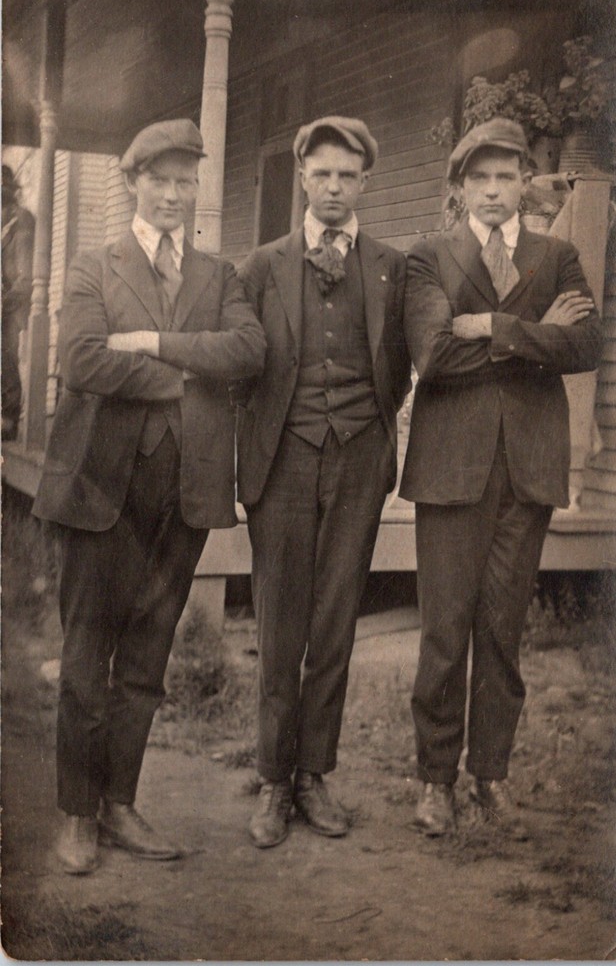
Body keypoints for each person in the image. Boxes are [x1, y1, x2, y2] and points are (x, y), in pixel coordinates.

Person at [33, 119, 266, 874]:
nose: (171, 193)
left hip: (186, 494)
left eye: (183, 180)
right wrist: (186, 374)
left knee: (145, 659)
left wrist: (156, 345)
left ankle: (121, 805)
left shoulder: (218, 276)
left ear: (196, 188)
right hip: (100, 489)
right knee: (84, 655)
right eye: (158, 179)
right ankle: (76, 814)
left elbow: (248, 352)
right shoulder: (93, 267)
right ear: (134, 181)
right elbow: (82, 361)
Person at [400, 118, 602, 839]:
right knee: (445, 632)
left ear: (524, 184)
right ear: (460, 188)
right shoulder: (429, 258)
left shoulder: (558, 254)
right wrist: (533, 332)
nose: (493, 191)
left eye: (506, 177)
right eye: (479, 178)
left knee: (503, 631)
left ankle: (491, 776)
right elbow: (433, 356)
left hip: (527, 471)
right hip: (451, 470)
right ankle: (434, 780)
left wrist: (492, 328)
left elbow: (586, 344)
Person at [235, 116, 410, 848]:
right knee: (280, 624)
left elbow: (400, 362)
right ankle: (275, 780)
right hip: (283, 460)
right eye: (322, 174)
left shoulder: (394, 267)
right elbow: (242, 363)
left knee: (336, 621)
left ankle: (315, 773)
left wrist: (369, 427)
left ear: (364, 181)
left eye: (348, 175)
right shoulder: (262, 266)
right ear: (303, 178)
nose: (334, 188)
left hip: (360, 458)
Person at [2, 164, 35, 440]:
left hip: (14, 304)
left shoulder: (22, 220)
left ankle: (9, 419)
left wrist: (5, 300)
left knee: (6, 355)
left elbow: (26, 276)